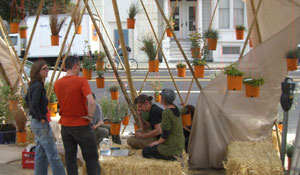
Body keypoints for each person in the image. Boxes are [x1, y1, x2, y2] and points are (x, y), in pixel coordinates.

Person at [54, 56, 100, 175]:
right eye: (79, 66)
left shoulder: (57, 83)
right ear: (75, 66)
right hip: (81, 124)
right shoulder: (81, 81)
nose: (80, 68)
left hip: (65, 125)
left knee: (70, 158)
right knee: (91, 157)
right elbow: (91, 101)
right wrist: (90, 117)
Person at [25, 60, 65, 175]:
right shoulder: (38, 86)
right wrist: (40, 117)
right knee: (53, 154)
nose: (47, 71)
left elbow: (27, 99)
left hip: (36, 123)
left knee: (40, 153)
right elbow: (33, 104)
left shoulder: (33, 85)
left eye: (47, 68)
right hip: (40, 123)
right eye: (44, 69)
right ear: (38, 72)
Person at [142, 89, 185, 161]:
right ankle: (175, 154)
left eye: (161, 96)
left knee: (145, 152)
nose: (160, 98)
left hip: (171, 146)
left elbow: (165, 133)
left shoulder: (167, 112)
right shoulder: (175, 108)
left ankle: (172, 157)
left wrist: (157, 142)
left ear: (164, 99)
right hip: (179, 143)